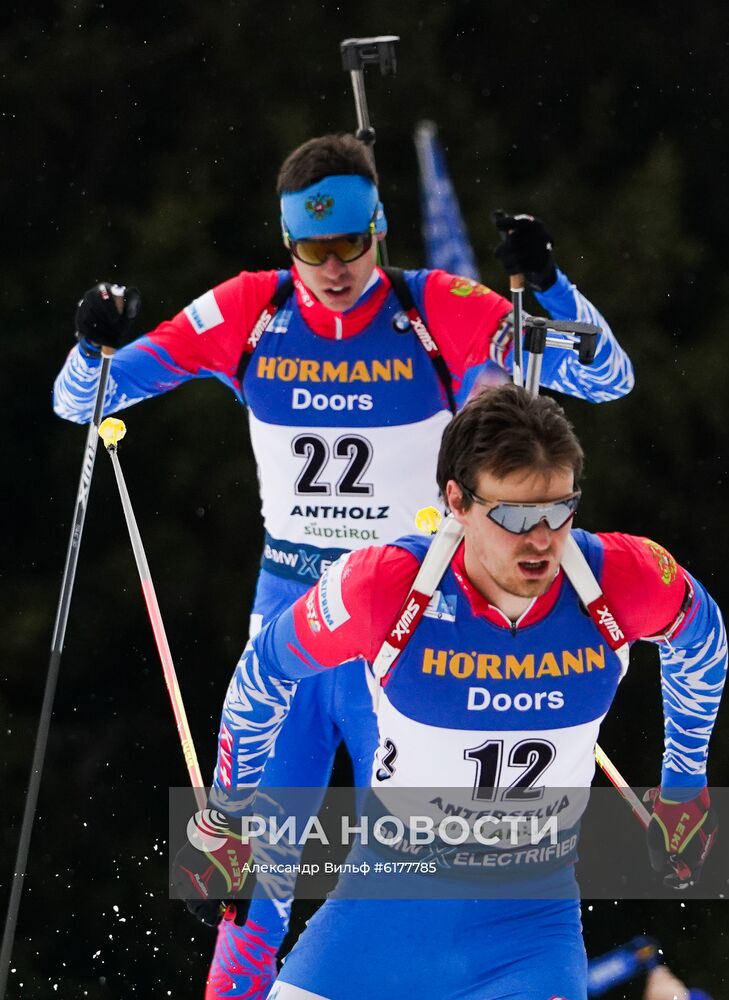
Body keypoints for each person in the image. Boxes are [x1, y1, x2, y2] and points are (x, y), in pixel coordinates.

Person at [53, 134, 634, 997]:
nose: (333, 268)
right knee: (254, 871)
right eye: (311, 249)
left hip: (399, 623)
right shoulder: (251, 312)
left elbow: (608, 376)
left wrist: (551, 289)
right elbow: (81, 400)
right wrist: (90, 347)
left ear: (381, 229)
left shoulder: (433, 306)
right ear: (286, 243)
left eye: (351, 245)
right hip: (291, 625)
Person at [175, 385, 727, 1000]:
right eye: (516, 517)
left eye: (559, 510)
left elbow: (702, 640)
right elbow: (265, 671)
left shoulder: (621, 578)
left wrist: (685, 789)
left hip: (528, 936)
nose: (542, 540)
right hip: (378, 917)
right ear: (457, 502)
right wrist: (225, 817)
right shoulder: (384, 584)